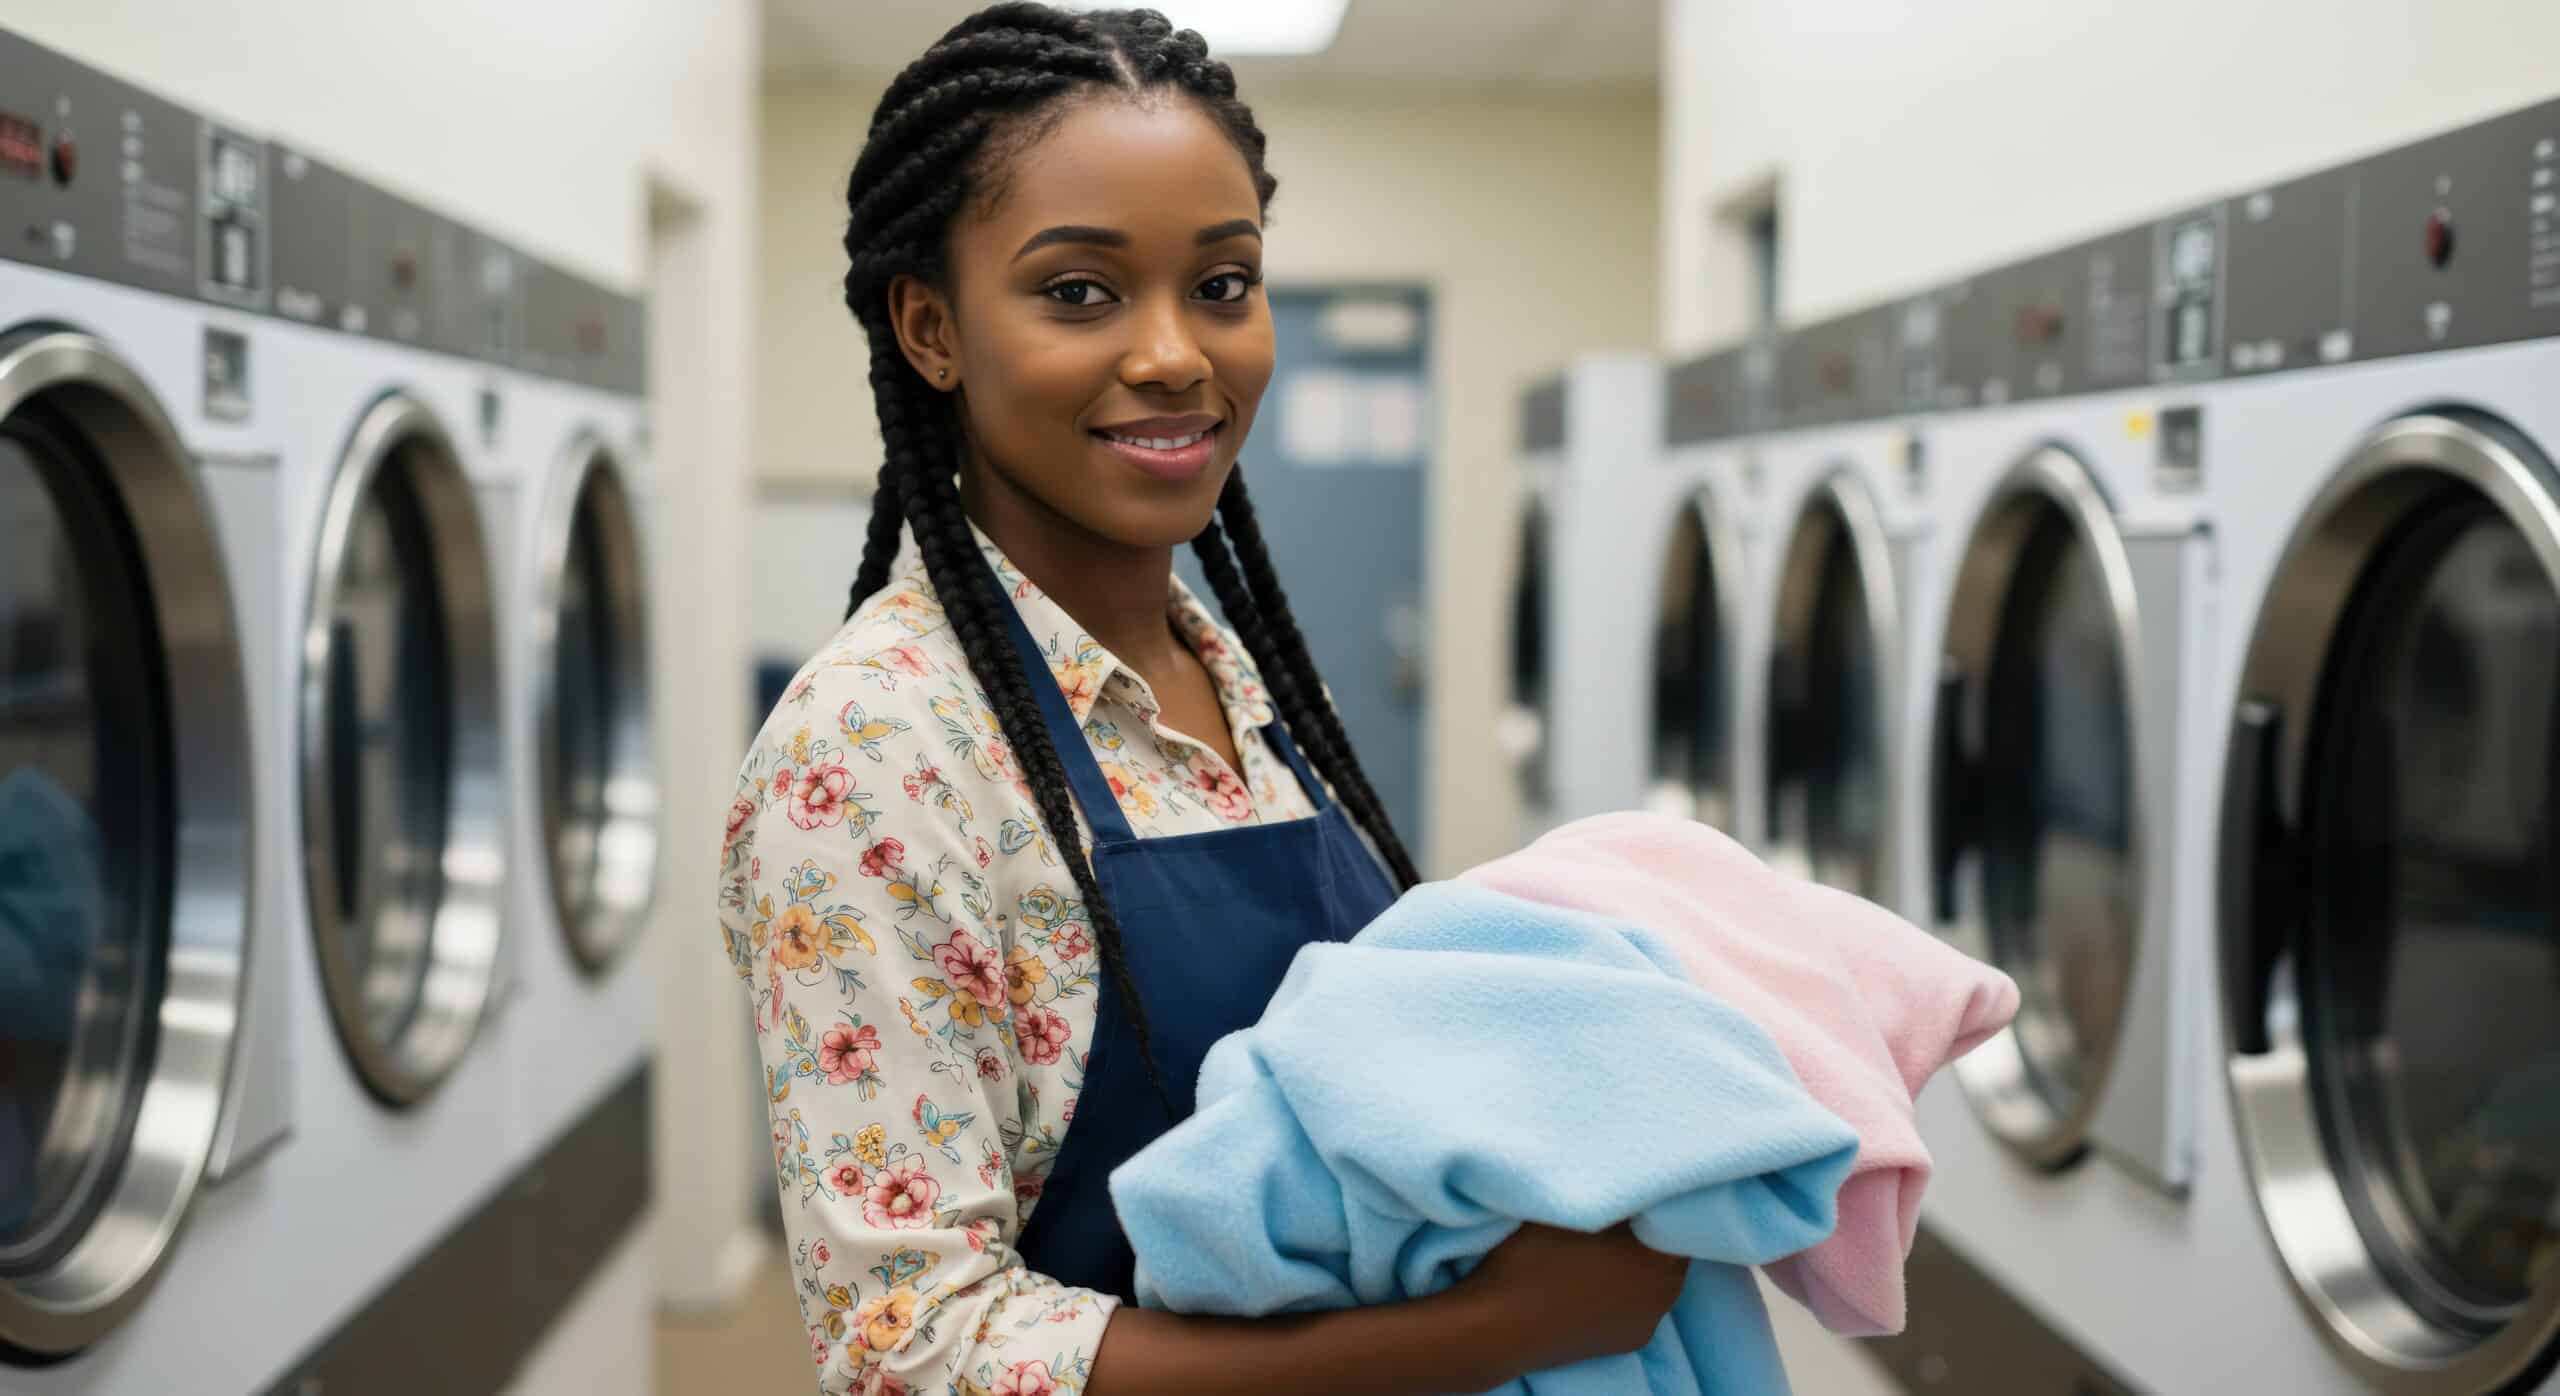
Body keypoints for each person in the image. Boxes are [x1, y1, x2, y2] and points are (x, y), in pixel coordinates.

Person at [718, 7, 1687, 1393]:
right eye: (1079, 292)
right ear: (931, 328)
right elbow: (911, 1352)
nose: (1178, 353)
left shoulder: (1237, 677)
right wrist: (1506, 1329)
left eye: (1223, 284)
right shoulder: (876, 750)